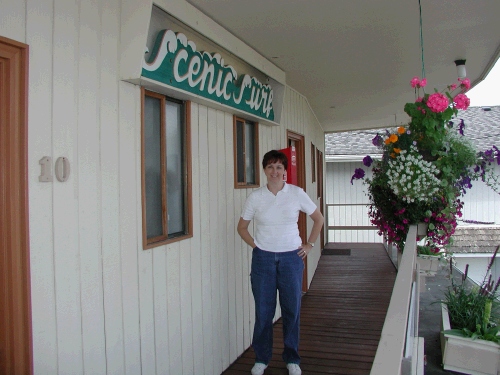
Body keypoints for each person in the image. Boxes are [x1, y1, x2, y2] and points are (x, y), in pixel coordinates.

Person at [237, 150, 324, 375]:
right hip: (263, 260)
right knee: (264, 312)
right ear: (264, 170)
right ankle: (262, 358)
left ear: (285, 171)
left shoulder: (296, 193)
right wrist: (257, 246)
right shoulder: (256, 197)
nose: (274, 172)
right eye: (270, 167)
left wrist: (309, 245)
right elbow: (242, 228)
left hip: (291, 259)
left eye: (279, 167)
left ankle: (292, 358)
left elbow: (318, 219)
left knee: (291, 311)